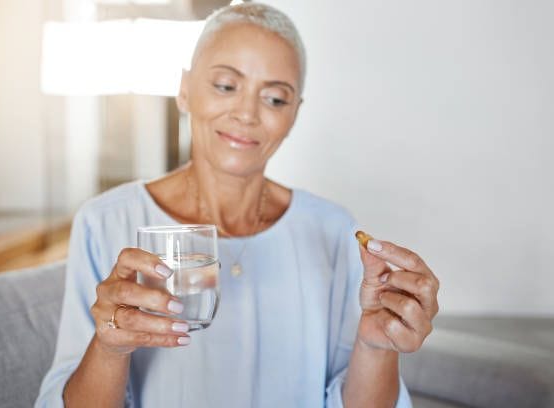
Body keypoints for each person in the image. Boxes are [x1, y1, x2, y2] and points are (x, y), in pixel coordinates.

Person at [36, 3, 439, 407]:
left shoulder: (332, 230)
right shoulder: (105, 222)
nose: (246, 113)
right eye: (226, 86)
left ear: (295, 114)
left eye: (275, 99)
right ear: (184, 89)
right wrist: (110, 348)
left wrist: (376, 347)